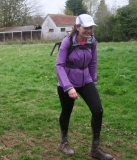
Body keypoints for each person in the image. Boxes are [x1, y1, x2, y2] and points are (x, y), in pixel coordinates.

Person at [55, 14, 113, 160]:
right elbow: (59, 65)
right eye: (86, 27)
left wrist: (92, 80)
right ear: (77, 27)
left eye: (91, 27)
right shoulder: (67, 42)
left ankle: (95, 149)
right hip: (67, 81)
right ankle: (64, 142)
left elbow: (93, 62)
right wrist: (68, 87)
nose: (89, 30)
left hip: (85, 80)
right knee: (66, 112)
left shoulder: (92, 42)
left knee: (98, 110)